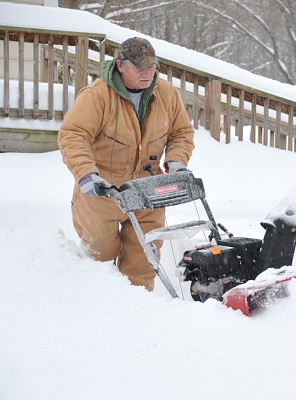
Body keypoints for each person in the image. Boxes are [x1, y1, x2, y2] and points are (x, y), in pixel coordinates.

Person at [58, 37, 195, 291]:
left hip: (148, 191)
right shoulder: (97, 95)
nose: (148, 72)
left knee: (143, 266)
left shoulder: (166, 94)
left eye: (152, 66)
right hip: (102, 192)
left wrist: (176, 160)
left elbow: (181, 133)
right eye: (140, 66)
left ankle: (137, 321)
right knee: (100, 260)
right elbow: (73, 135)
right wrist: (87, 174)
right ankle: (95, 315)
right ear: (121, 66)